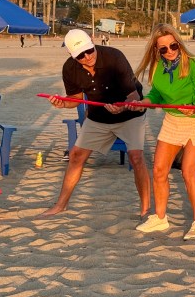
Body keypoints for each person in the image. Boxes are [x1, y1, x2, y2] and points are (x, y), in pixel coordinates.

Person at [40, 29, 151, 219]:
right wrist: (62, 103)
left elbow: (132, 95)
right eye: (80, 55)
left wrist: (123, 107)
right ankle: (60, 205)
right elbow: (74, 100)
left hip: (129, 113)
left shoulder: (114, 57)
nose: (87, 57)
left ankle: (145, 209)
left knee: (136, 158)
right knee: (75, 156)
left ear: (92, 41)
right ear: (71, 55)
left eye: (89, 50)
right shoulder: (70, 68)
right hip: (98, 117)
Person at [131, 24, 195, 241]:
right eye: (164, 49)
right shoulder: (157, 69)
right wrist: (142, 103)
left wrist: (193, 106)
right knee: (158, 170)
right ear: (157, 51)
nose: (170, 51)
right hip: (173, 120)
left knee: (188, 173)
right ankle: (159, 217)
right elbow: (156, 95)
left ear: (179, 43)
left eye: (173, 45)